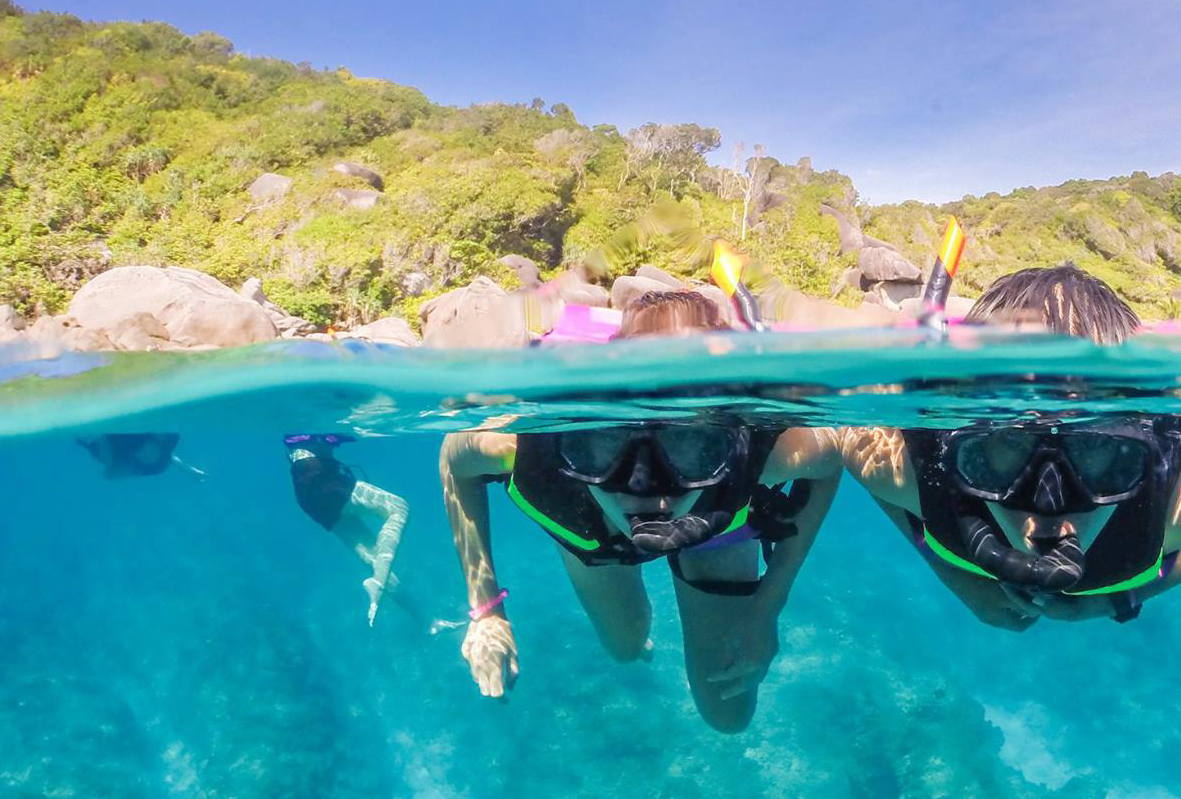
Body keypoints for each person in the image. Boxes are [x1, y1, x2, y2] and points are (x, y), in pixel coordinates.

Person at [439, 289, 840, 730]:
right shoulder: (526, 447)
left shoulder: (761, 452)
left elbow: (829, 462)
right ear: (568, 440)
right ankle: (637, 638)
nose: (648, 490)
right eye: (602, 445)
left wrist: (768, 606)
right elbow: (454, 459)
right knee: (625, 646)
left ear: (725, 443)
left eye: (690, 448)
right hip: (589, 527)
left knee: (729, 713)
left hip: (714, 529)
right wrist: (486, 610)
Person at [845, 265, 1181, 629]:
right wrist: (956, 578)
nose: (1047, 504)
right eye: (1007, 445)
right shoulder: (908, 470)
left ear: (1136, 454)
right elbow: (854, 449)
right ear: (964, 449)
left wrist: (1122, 597)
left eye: (1095, 451)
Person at [285, 434, 411, 625]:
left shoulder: (299, 445)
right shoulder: (314, 431)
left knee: (373, 558)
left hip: (309, 497)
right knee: (399, 507)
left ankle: (428, 621)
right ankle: (379, 580)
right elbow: (315, 439)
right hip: (319, 478)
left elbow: (297, 445)